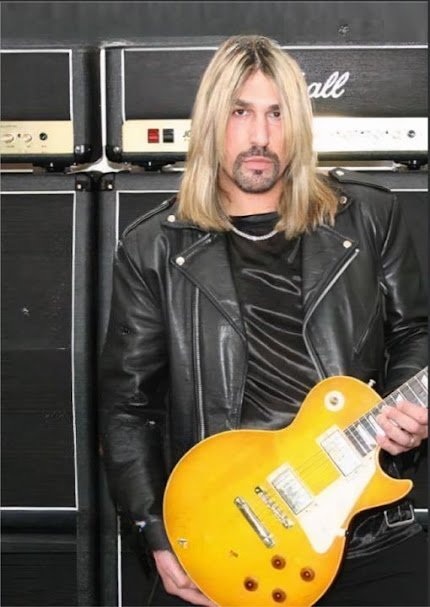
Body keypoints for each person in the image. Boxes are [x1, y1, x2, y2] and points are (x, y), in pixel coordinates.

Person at [99, 35, 428, 606]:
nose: (260, 136)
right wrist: (155, 534)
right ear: (210, 123)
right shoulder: (153, 247)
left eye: (277, 114)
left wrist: (410, 416)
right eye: (240, 113)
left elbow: (414, 333)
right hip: (231, 539)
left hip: (366, 531)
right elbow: (129, 407)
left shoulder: (370, 217)